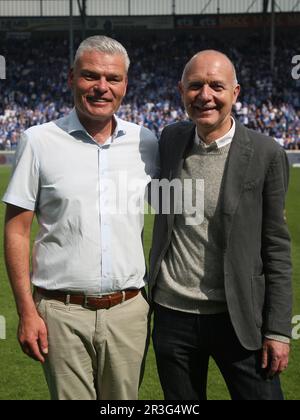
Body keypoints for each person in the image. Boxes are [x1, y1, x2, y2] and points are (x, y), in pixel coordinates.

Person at [3, 36, 158, 400]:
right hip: (61, 313)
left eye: (112, 78)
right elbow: (17, 231)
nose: (101, 87)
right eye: (90, 76)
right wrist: (27, 312)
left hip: (129, 312)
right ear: (71, 78)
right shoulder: (38, 141)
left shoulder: (146, 141)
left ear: (125, 85)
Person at [149, 50, 292, 400]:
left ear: (235, 92)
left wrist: (278, 330)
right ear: (182, 90)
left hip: (239, 317)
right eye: (195, 86)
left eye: (217, 86)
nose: (205, 95)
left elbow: (275, 246)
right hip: (172, 316)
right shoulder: (170, 140)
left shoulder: (266, 153)